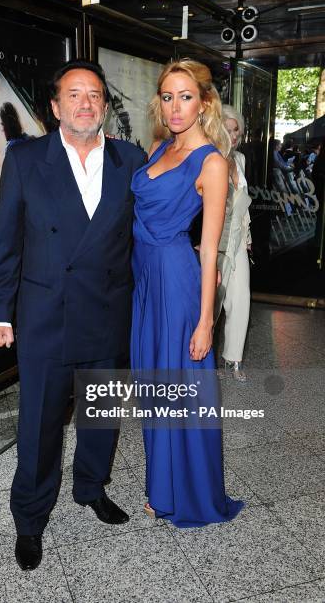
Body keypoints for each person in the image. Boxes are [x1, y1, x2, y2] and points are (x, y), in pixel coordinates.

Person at [0, 59, 146, 570]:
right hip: (44, 316)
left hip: (106, 311)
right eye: (74, 94)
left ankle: (91, 488)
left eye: (95, 95)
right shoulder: (27, 159)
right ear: (55, 107)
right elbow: (6, 241)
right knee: (39, 425)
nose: (86, 103)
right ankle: (30, 520)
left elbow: (144, 238)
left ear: (105, 106)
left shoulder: (130, 159)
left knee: (101, 417)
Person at [130, 59, 243, 527]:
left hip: (177, 283)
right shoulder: (158, 147)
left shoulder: (212, 162)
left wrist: (205, 321)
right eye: (168, 96)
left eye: (186, 97)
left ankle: (188, 494)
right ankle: (163, 486)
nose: (175, 107)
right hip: (144, 282)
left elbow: (211, 248)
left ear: (205, 103)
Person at [214, 105, 252, 382]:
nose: (233, 134)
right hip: (215, 241)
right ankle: (201, 359)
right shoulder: (208, 159)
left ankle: (232, 360)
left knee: (240, 299)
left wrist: (248, 238)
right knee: (212, 303)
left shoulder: (239, 160)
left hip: (238, 239)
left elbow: (243, 204)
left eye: (236, 129)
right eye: (227, 129)